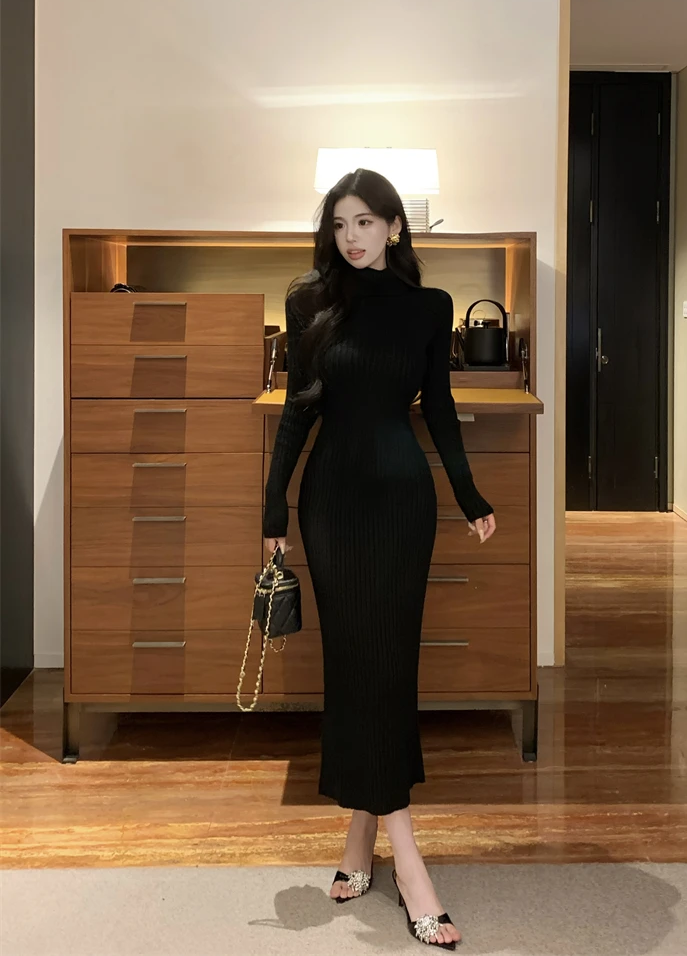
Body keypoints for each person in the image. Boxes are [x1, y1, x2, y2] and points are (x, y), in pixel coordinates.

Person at [262, 168, 496, 950]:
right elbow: (298, 412)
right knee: (356, 664)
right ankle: (407, 859)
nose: (351, 237)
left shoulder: (430, 307)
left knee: (386, 667)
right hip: (332, 503)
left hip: (401, 503)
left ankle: (365, 836)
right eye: (339, 224)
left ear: (396, 225)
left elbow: (441, 410)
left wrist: (469, 494)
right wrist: (273, 507)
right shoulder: (310, 301)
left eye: (365, 221)